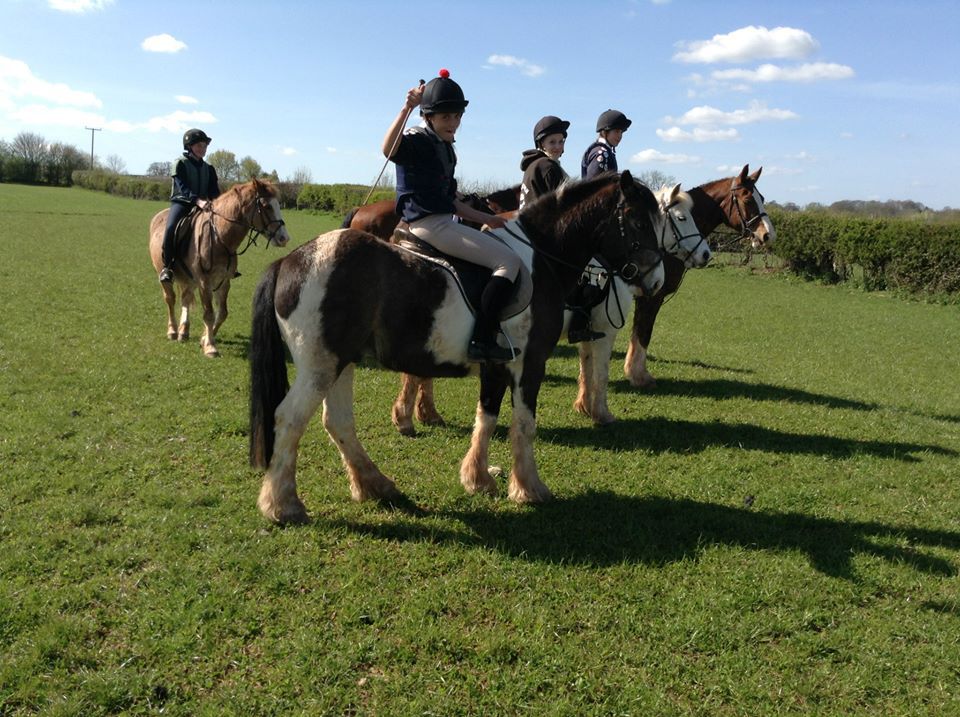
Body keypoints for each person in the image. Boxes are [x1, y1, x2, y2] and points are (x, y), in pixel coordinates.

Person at [383, 70, 521, 363]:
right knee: (508, 261)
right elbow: (388, 149)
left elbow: (450, 199)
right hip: (430, 226)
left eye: (457, 116)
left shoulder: (444, 147)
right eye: (446, 117)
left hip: (442, 221)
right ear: (429, 117)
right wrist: (406, 108)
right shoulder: (417, 140)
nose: (454, 123)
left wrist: (491, 219)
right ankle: (482, 339)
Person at [158, 128, 221, 283]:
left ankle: (225, 264)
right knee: (171, 227)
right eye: (199, 146)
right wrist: (197, 201)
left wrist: (218, 203)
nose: (203, 149)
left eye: (205, 146)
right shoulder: (179, 164)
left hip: (205, 204)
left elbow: (214, 190)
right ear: (189, 146)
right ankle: (168, 267)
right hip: (182, 203)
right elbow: (183, 188)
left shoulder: (209, 169)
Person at [519, 115, 569, 210]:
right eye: (552, 142)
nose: (558, 146)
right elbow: (564, 206)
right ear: (542, 144)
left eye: (561, 141)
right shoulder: (547, 166)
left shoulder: (533, 164)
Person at [580, 109, 632, 180]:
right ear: (604, 132)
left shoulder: (605, 152)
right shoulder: (601, 153)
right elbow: (594, 186)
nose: (620, 136)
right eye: (616, 131)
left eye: (621, 132)